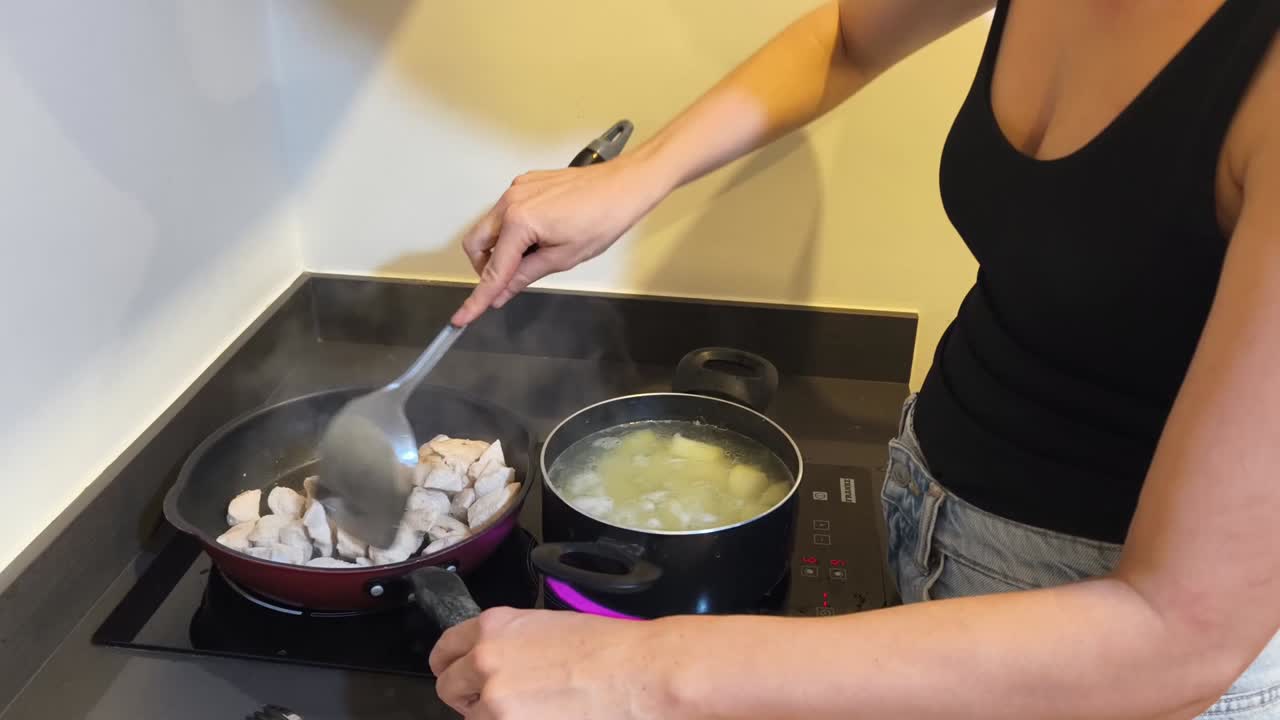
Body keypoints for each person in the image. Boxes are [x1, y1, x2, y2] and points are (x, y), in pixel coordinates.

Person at [431, 0, 1280, 717]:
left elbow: (1181, 631)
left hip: (1107, 648)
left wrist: (638, 672)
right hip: (926, 501)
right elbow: (847, 34)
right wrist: (636, 177)